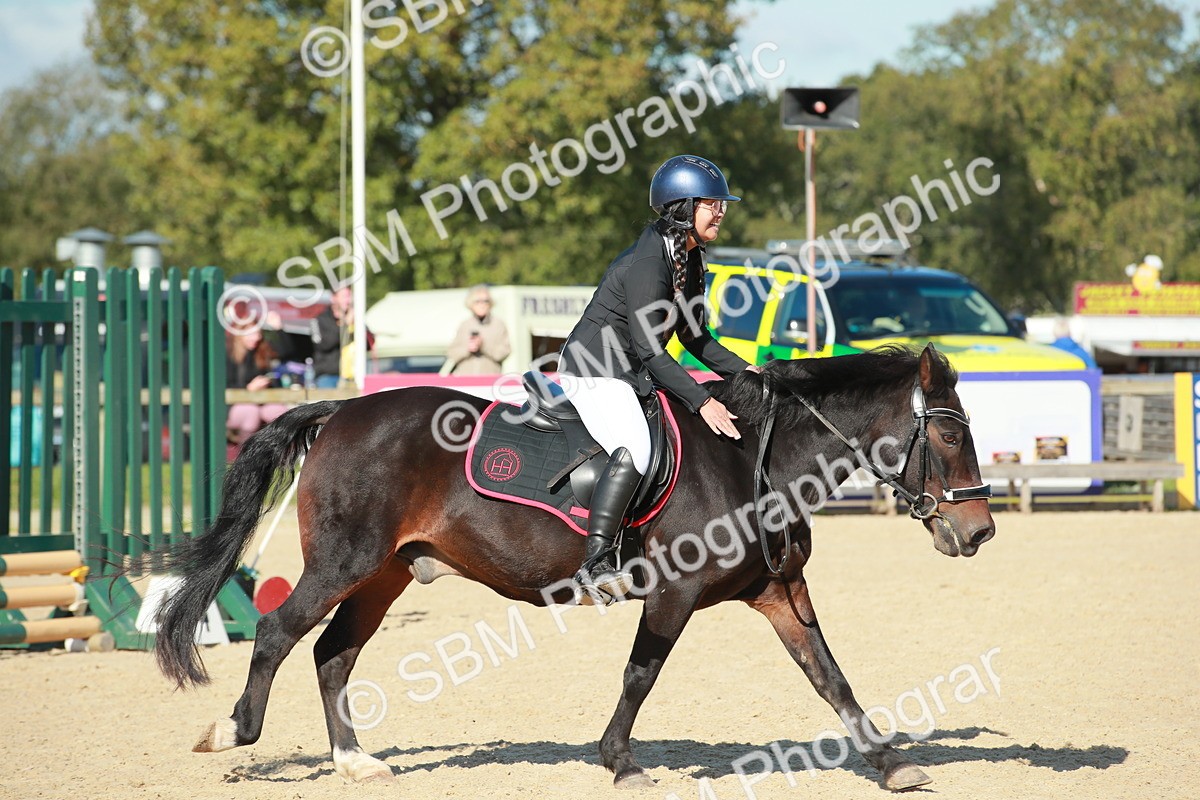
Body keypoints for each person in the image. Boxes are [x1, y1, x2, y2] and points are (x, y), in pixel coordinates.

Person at [558, 154, 762, 601]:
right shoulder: (649, 263)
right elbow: (652, 351)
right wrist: (702, 401)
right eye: (712, 203)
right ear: (683, 208)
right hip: (594, 369)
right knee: (637, 446)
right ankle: (595, 561)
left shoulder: (687, 258)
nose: (721, 212)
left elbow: (693, 337)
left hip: (629, 372)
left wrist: (747, 373)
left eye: (721, 204)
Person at [225, 326, 289, 457]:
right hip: (231, 406)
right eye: (251, 334)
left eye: (258, 333)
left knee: (280, 412)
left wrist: (279, 329)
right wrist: (248, 388)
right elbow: (225, 386)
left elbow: (286, 352)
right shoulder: (228, 355)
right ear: (239, 334)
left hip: (262, 402)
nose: (257, 337)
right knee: (250, 412)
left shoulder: (262, 351)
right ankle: (245, 456)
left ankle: (282, 455)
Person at [312, 286, 373, 387]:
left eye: (350, 296)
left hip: (354, 376)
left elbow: (369, 345)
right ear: (334, 298)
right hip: (328, 376)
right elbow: (323, 345)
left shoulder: (355, 319)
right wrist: (345, 325)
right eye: (345, 296)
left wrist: (358, 325)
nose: (348, 300)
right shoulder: (320, 319)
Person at [444, 285, 512, 374]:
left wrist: (484, 346)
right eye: (478, 301)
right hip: (466, 379)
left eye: (486, 301)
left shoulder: (499, 325)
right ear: (471, 304)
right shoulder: (464, 325)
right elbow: (452, 353)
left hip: (490, 379)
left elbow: (504, 353)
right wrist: (467, 349)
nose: (482, 304)